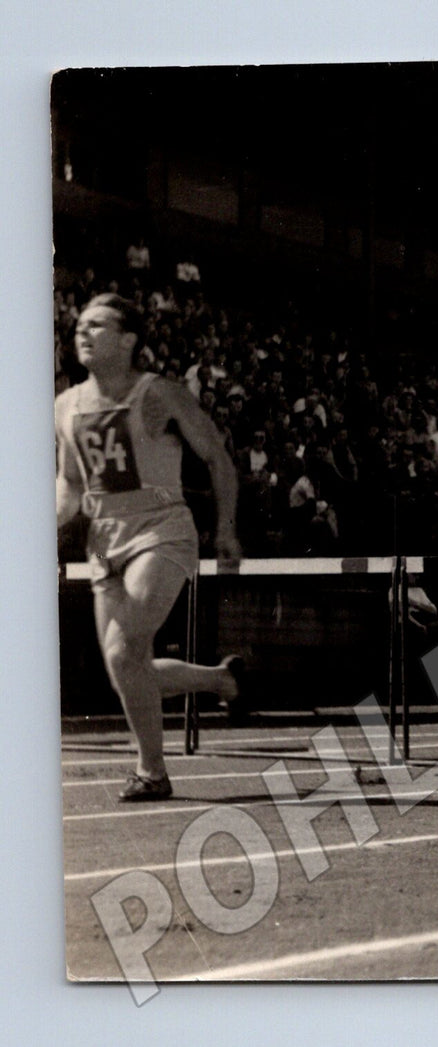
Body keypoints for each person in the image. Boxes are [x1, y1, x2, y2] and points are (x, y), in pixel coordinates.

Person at [56, 293, 244, 802]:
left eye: (98, 325)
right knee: (126, 666)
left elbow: (217, 456)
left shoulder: (159, 393)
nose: (83, 331)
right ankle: (217, 680)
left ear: (129, 339)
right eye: (81, 324)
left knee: (124, 651)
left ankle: (152, 772)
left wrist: (225, 527)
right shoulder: (67, 406)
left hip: (162, 530)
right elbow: (71, 485)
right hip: (104, 540)